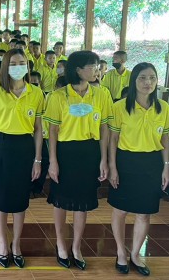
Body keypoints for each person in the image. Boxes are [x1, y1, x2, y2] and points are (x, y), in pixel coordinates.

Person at [44, 51, 112, 271]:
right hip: (65, 152)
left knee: (82, 204)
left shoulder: (102, 95)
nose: (97, 70)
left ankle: (76, 247)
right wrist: (52, 161)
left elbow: (104, 129)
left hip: (90, 152)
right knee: (61, 202)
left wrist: (104, 159)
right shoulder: (58, 97)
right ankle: (61, 244)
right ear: (78, 70)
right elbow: (52, 131)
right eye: (92, 66)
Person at [108, 63, 169, 277]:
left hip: (152, 164)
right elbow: (113, 139)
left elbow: (165, 140)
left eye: (152, 78)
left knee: (144, 214)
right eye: (143, 78)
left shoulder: (164, 107)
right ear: (134, 80)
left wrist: (166, 168)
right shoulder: (120, 107)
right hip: (126, 162)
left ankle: (135, 254)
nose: (148, 82)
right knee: (121, 211)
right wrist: (112, 167)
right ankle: (120, 252)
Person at [0, 49, 44, 269]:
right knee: (0, 198)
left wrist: (38, 159)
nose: (18, 67)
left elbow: (38, 129)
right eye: (14, 63)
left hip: (25, 148)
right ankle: (3, 243)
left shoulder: (37, 93)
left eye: (23, 63)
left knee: (20, 200)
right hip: (2, 146)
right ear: (5, 66)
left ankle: (16, 244)